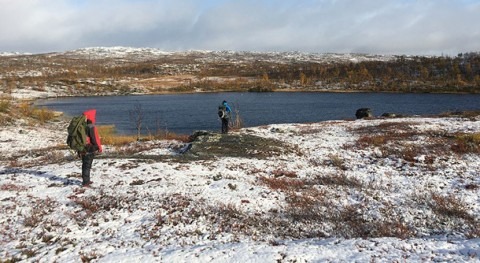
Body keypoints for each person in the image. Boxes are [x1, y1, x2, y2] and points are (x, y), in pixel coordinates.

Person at [81, 109, 102, 187]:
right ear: (92, 116)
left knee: (85, 164)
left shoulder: (82, 125)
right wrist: (99, 147)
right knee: (87, 165)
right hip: (89, 148)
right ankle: (86, 182)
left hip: (82, 148)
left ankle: (86, 180)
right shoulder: (91, 126)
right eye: (94, 116)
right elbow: (94, 138)